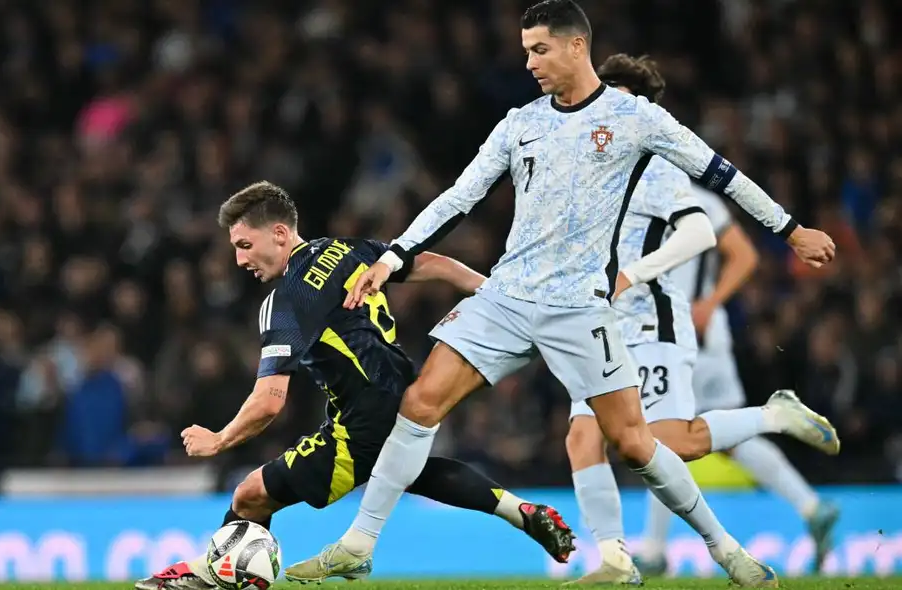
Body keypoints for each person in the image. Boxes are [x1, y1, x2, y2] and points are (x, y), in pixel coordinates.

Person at [284, 1, 836, 587]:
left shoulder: (636, 119)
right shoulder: (521, 123)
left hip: (580, 309)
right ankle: (359, 544)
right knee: (420, 404)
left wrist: (791, 229)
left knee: (635, 444)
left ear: (577, 46)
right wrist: (394, 255)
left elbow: (719, 172)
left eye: (539, 49)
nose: (529, 62)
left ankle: (729, 553)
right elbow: (459, 196)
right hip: (507, 297)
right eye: (525, 51)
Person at [135, 181, 576, 590]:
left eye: (245, 245)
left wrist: (219, 440)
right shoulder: (343, 250)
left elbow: (270, 402)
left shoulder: (286, 301)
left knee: (250, 496)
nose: (239, 260)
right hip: (407, 395)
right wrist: (495, 294)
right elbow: (435, 264)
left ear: (280, 234)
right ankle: (523, 513)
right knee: (411, 471)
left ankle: (215, 575)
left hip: (360, 423)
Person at [563, 54, 840, 585]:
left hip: (656, 324)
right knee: (583, 438)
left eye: (616, 98)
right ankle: (618, 561)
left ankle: (772, 418)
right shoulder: (587, 167)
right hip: (601, 325)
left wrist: (668, 287)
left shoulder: (665, 171)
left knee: (671, 445)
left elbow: (719, 237)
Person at [632, 188, 841, 577]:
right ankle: (811, 505)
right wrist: (712, 304)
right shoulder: (705, 202)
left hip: (672, 337)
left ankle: (657, 550)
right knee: (729, 440)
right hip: (709, 336)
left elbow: (744, 256)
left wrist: (706, 304)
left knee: (658, 438)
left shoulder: (644, 200)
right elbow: (745, 255)